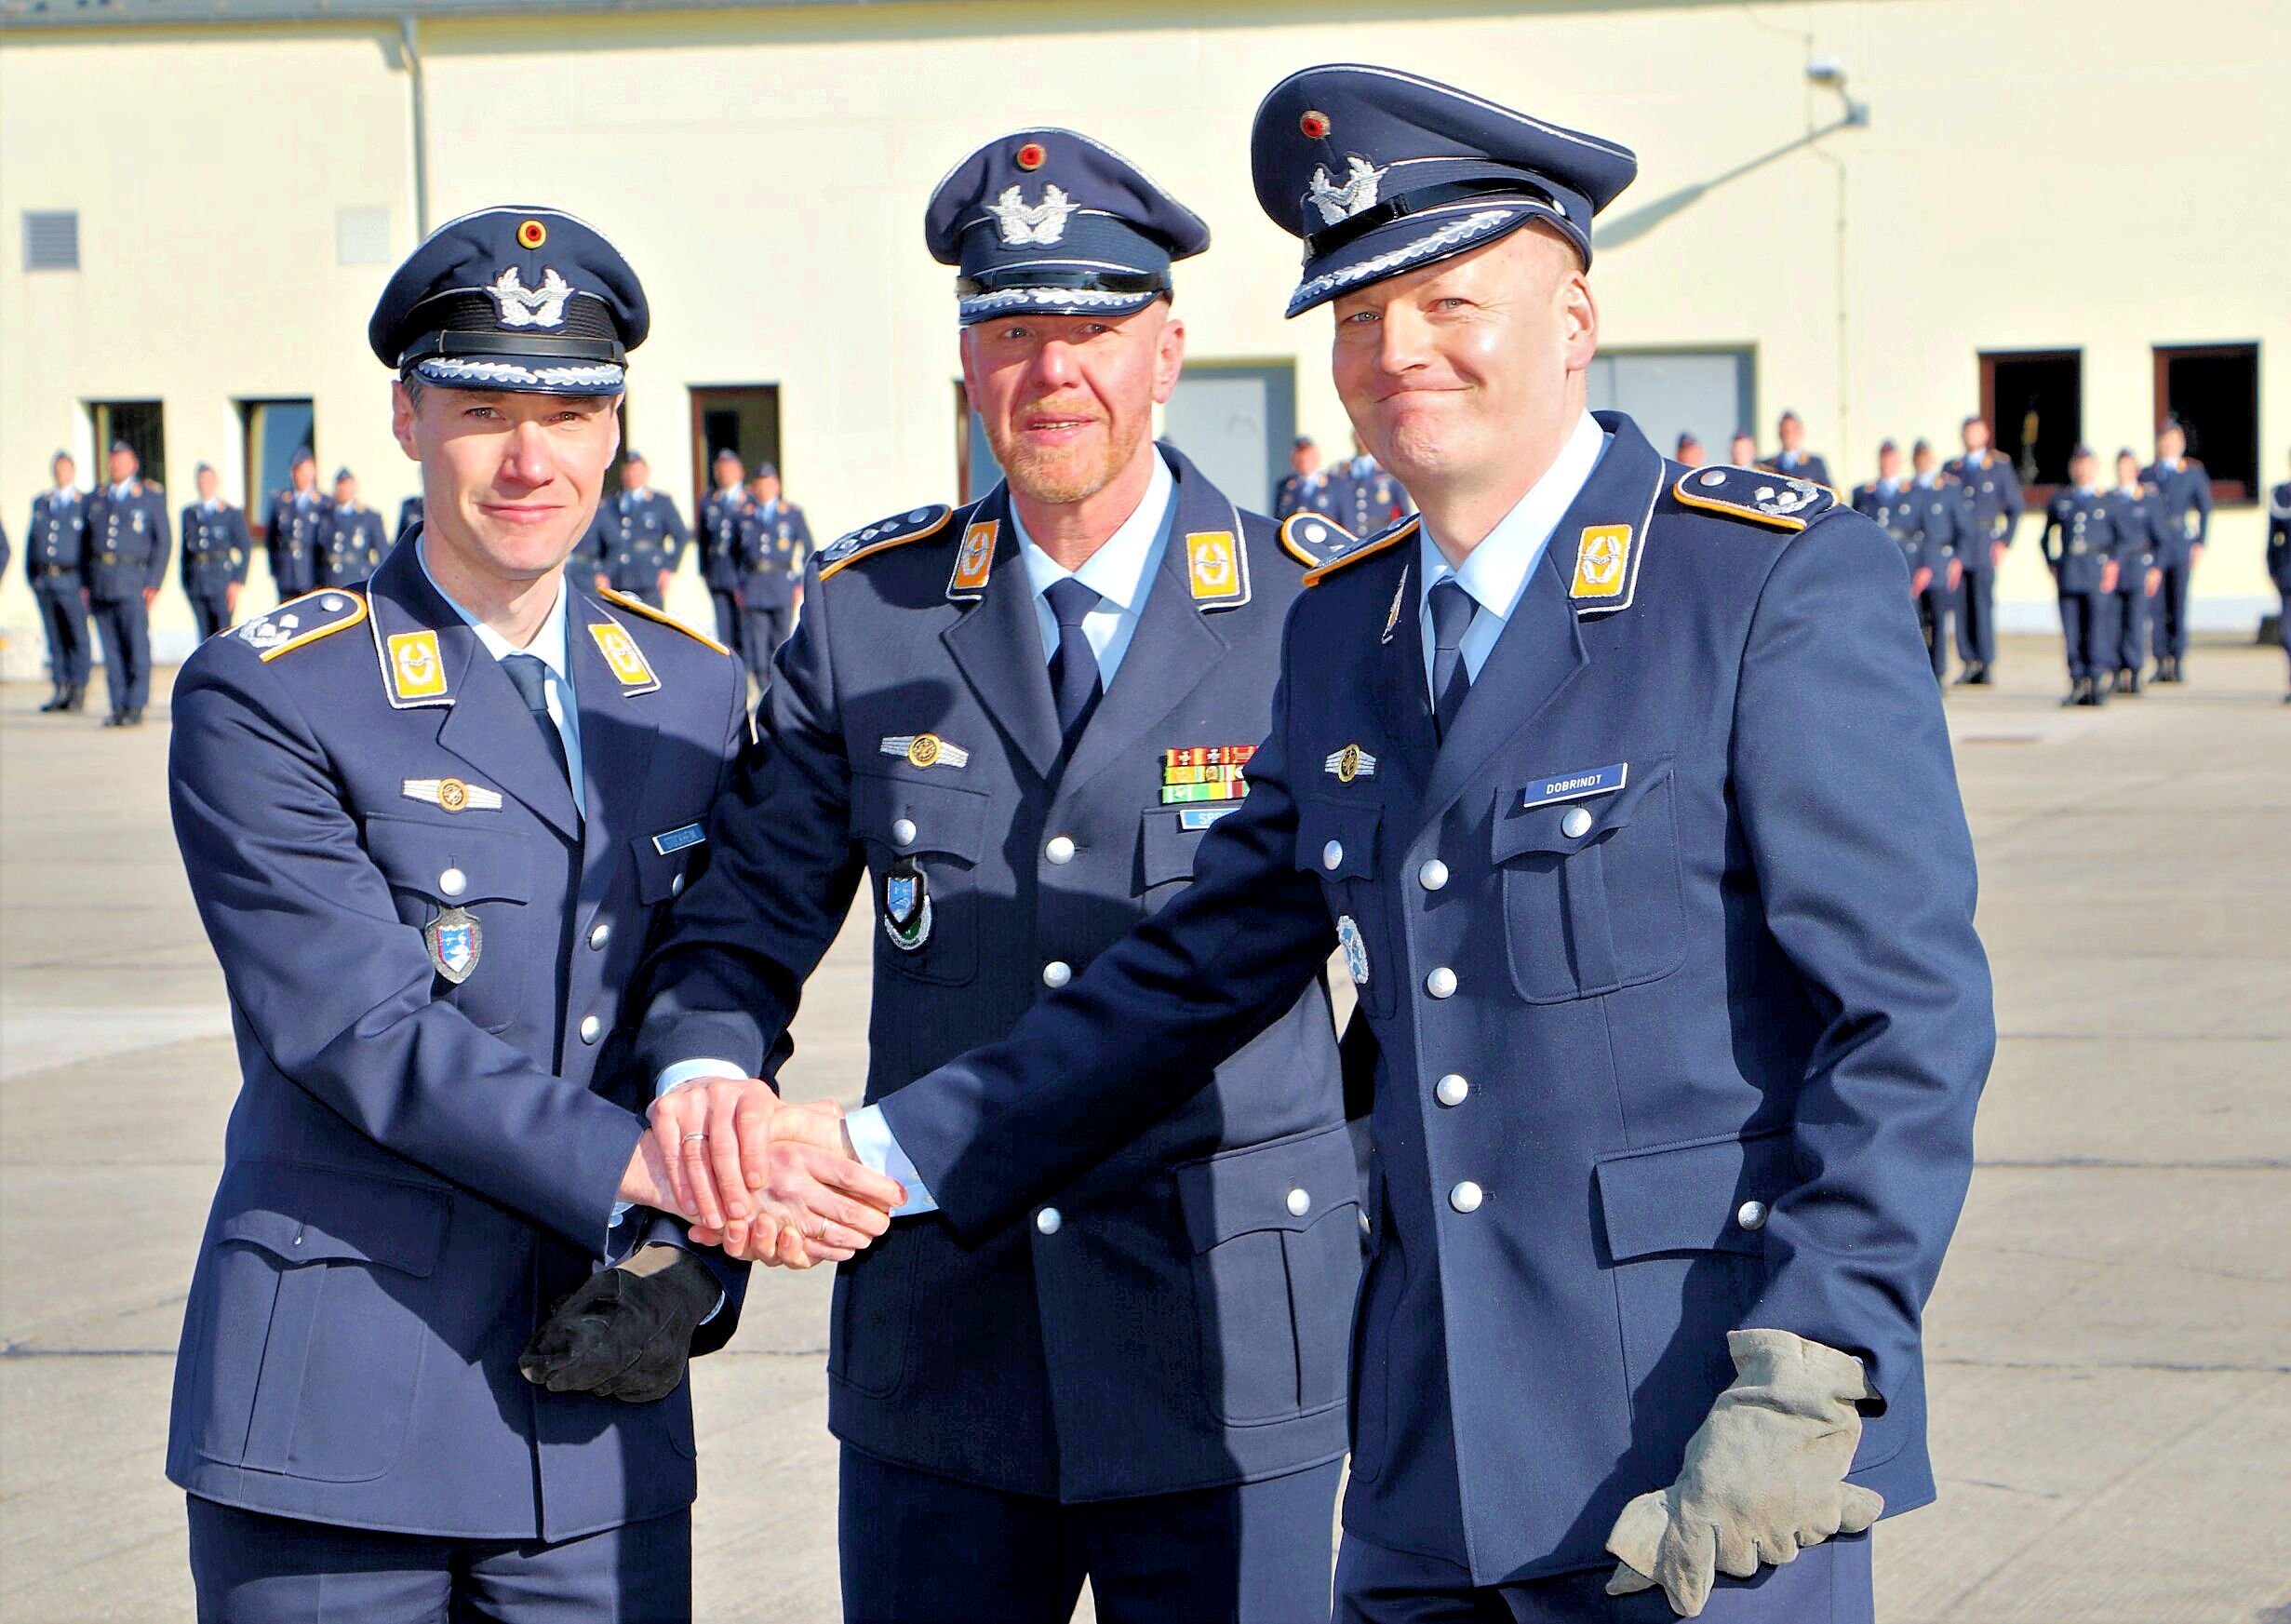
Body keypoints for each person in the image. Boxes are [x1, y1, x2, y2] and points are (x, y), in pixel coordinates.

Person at [675, 65, 1991, 1624]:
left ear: (1571, 317)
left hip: (1697, 1455)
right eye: (1360, 317)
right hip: (1426, 1483)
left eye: (1448, 301)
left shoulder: (1762, 591)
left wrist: (1816, 1365)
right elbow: (1189, 973)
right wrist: (882, 1153)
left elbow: (1906, 1021)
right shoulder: (1350, 633)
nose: (1397, 353)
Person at [635, 128, 1360, 1624]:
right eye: (1010, 331)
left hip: (1229, 1339)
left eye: (1090, 330)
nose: (1051, 372)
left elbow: (1418, 962)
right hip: (947, 1361)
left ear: (1166, 353)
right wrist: (708, 1073)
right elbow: (749, 911)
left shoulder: (1318, 608)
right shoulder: (871, 617)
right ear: (965, 363)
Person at [162, 204, 898, 1624]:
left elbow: (710, 979)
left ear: (615, 428)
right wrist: (679, 1174)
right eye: (482, 407)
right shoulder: (271, 692)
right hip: (341, 1419)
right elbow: (365, 1031)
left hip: (596, 1417)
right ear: (405, 414)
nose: (527, 458)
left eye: (567, 413)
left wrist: (697, 1230)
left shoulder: (681, 691)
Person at [84, 438, 170, 728]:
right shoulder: (96, 499)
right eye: (112, 460)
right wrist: (86, 584)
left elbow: (163, 543)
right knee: (111, 650)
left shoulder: (148, 497)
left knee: (135, 646)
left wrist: (154, 583)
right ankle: (118, 704)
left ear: (133, 464)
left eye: (121, 460)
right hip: (101, 583)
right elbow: (85, 546)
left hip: (134, 582)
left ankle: (136, 704)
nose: (115, 465)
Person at [1943, 415, 2023, 686]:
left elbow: (2015, 507)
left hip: (1985, 542)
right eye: (1967, 432)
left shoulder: (1998, 466)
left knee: (1982, 603)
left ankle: (1986, 662)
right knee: (1961, 604)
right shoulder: (1952, 468)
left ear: (1985, 435)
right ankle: (1968, 661)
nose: (1970, 437)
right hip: (1958, 546)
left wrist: (2004, 541)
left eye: (1975, 432)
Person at [2040, 445, 2121, 707]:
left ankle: (2096, 680)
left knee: (2097, 628)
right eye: (2077, 465)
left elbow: (2122, 539)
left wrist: (2113, 565)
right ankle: (2077, 681)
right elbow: (2045, 537)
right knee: (2072, 630)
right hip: (2070, 570)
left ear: (2095, 468)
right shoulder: (2061, 499)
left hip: (2096, 570)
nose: (2081, 470)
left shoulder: (2107, 500)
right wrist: (2052, 563)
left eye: (2086, 465)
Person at [2141, 417, 2212, 683]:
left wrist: (2200, 543)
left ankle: (2178, 660)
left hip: (2181, 543)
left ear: (2181, 443)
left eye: (2172, 439)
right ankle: (2160, 660)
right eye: (2163, 440)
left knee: (2178, 604)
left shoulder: (2192, 472)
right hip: (2154, 547)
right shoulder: (2147, 474)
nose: (2167, 445)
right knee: (2156, 606)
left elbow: (2205, 509)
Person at [26, 450, 93, 713]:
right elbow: (33, 541)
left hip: (72, 579)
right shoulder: (42, 503)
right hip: (46, 580)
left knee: (76, 636)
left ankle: (78, 688)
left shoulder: (84, 503)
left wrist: (88, 583)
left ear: (73, 471)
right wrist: (32, 576)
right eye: (57, 468)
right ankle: (61, 687)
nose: (60, 473)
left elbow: (89, 545)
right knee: (54, 638)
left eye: (65, 468)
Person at [731, 462, 810, 682]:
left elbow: (808, 548)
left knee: (781, 641)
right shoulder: (744, 515)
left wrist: (800, 583)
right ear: (753, 487)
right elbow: (733, 554)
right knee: (757, 644)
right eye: (760, 485)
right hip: (754, 585)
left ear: (777, 486)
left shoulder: (791, 514)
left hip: (782, 585)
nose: (764, 489)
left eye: (769, 485)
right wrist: (738, 584)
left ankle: (780, 688)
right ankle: (763, 688)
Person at [583, 451, 689, 609]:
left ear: (646, 473)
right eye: (628, 470)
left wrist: (669, 568)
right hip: (619, 576)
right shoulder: (610, 503)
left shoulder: (660, 502)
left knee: (652, 625)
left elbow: (680, 535)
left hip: (649, 575)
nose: (632, 475)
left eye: (637, 470)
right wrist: (604, 571)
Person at [1902, 439, 1967, 683]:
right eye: (1918, 457)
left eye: (1926, 457)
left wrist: (1957, 560)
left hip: (1940, 562)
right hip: (1913, 562)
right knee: (1916, 621)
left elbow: (1964, 529)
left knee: (1938, 620)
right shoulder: (1907, 490)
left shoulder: (1948, 490)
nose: (1923, 462)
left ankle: (1939, 672)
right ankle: (1920, 672)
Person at [2104, 450, 2165, 695]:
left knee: (2136, 623)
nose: (2123, 472)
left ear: (2136, 470)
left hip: (2139, 565)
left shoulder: (2148, 500)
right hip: (2114, 568)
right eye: (2120, 468)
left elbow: (2161, 539)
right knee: (2113, 623)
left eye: (2128, 468)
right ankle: (2117, 672)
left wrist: (2156, 569)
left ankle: (2135, 671)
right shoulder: (2108, 499)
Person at [180, 462, 252, 638]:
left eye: (208, 480)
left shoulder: (230, 513)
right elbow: (185, 552)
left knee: (222, 634)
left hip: (221, 580)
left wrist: (237, 581)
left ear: (215, 482)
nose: (204, 484)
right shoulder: (189, 513)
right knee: (203, 636)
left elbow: (245, 548)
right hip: (198, 581)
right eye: (201, 480)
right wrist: (186, 582)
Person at [1850, 439, 1923, 595]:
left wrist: (1926, 565)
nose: (1887, 463)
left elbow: (1928, 531)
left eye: (1891, 459)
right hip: (1875, 559)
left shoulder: (1915, 492)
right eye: (1884, 459)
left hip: (1907, 558)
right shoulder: (1863, 493)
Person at [697, 447, 750, 657]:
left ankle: (751, 674)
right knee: (724, 630)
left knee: (746, 629)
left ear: (740, 472)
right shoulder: (710, 501)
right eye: (720, 470)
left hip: (743, 576)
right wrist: (704, 571)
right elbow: (704, 540)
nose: (724, 474)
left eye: (729, 469)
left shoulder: (749, 501)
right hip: (718, 573)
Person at [267, 448, 328, 600]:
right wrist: (275, 570)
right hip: (286, 573)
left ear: (314, 472)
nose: (301, 475)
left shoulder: (324, 503)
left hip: (311, 572)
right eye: (297, 470)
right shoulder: (281, 502)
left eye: (305, 470)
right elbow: (271, 540)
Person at [316, 466, 387, 589]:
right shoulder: (325, 516)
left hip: (357, 578)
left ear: (355, 487)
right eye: (340, 485)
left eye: (347, 485)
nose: (343, 489)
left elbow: (383, 552)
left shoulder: (369, 517)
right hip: (330, 580)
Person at [1333, 428, 1413, 535]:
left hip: (1381, 536)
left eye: (1363, 434)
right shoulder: (1343, 472)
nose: (1360, 440)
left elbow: (1404, 511)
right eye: (1357, 435)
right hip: (1351, 538)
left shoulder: (1388, 469)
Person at [1760, 409, 1833, 490]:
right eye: (1786, 431)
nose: (1789, 435)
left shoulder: (1814, 464)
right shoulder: (1766, 466)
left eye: (1793, 431)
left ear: (1800, 433)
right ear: (1780, 433)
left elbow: (1828, 494)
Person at [2267, 449, 2290, 703]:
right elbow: (2272, 539)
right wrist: (2272, 567)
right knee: (2288, 634)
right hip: (2288, 571)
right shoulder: (2281, 495)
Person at [1276, 433, 1342, 519]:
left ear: (1317, 456)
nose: (1303, 458)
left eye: (1307, 454)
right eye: (1299, 454)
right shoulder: (1284, 487)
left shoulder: (1335, 485)